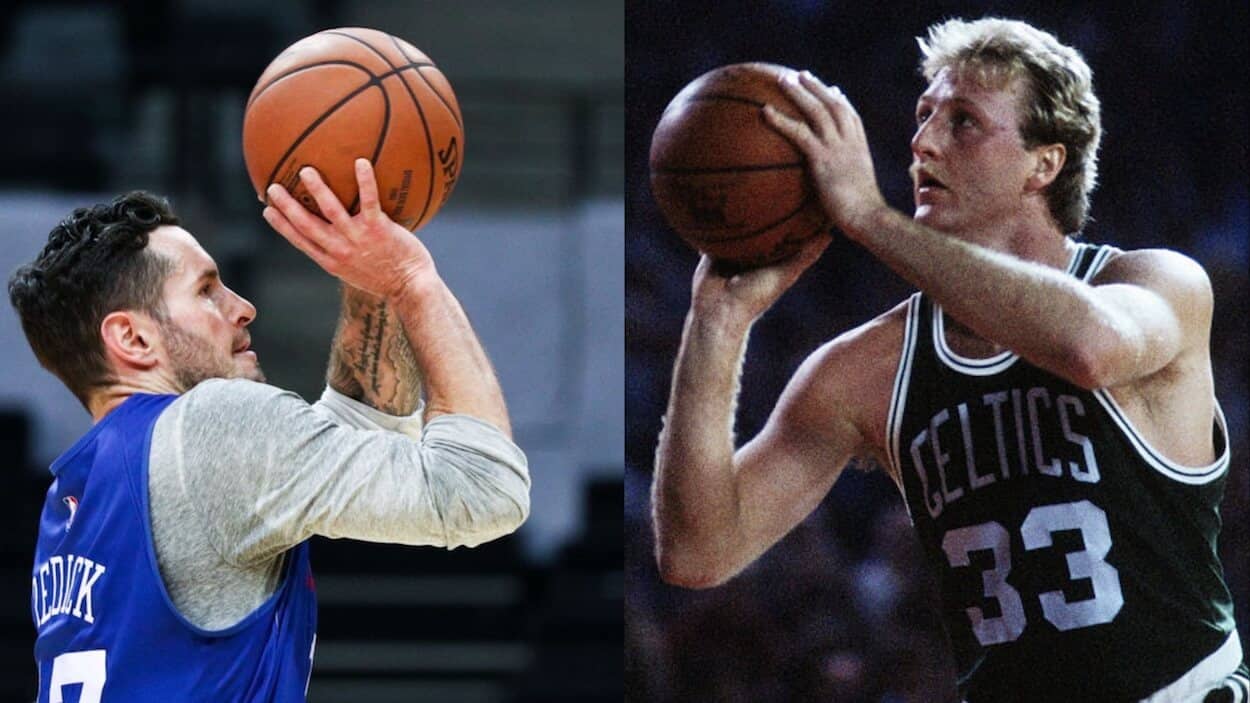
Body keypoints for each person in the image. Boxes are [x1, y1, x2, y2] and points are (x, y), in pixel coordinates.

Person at [652, 16, 1246, 702]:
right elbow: (698, 550)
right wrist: (716, 323)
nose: (923, 142)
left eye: (963, 122)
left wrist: (872, 219)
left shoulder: (1157, 284)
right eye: (923, 115)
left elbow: (1089, 349)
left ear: (1043, 163)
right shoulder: (867, 368)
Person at [9, 159, 530, 701]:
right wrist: (411, 282)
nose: (243, 307)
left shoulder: (75, 496)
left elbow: (341, 440)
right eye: (207, 290)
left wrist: (370, 278)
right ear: (134, 340)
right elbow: (483, 488)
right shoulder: (211, 424)